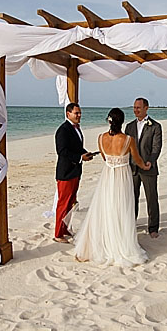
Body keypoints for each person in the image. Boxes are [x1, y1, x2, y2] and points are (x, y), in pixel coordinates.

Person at [74, 108, 151, 265]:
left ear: (108, 121)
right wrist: (146, 166)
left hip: (108, 176)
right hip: (122, 177)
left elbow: (104, 157)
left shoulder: (101, 138)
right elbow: (137, 160)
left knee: (106, 207)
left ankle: (104, 241)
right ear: (121, 122)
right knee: (122, 208)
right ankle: (121, 243)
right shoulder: (128, 140)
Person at [53, 103, 94, 243]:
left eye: (80, 112)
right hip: (66, 173)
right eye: (76, 113)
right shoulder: (63, 130)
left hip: (75, 171)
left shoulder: (76, 129)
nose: (79, 115)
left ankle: (65, 229)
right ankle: (58, 234)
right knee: (63, 203)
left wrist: (85, 153)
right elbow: (62, 151)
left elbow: (77, 147)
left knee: (70, 203)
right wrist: (79, 157)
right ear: (68, 114)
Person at [124, 97, 162, 238]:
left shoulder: (155, 126)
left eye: (138, 107)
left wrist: (151, 161)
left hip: (148, 168)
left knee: (152, 198)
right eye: (134, 107)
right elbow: (126, 147)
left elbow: (156, 147)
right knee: (132, 198)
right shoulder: (129, 127)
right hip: (133, 168)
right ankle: (131, 224)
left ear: (146, 108)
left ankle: (153, 228)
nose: (136, 110)